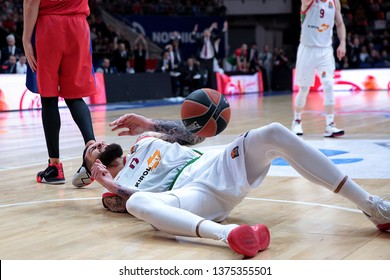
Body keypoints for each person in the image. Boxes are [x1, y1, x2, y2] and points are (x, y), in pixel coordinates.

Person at [83, 113, 389, 258]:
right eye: (91, 149)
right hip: (190, 197)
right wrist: (108, 185)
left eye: (96, 140)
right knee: (138, 204)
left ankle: (372, 206)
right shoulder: (112, 189)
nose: (97, 142)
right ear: (92, 166)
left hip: (212, 165)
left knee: (273, 131)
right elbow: (132, 207)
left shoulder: (144, 141)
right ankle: (233, 235)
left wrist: (150, 125)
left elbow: (195, 136)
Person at [23, 0, 96, 184]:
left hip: (50, 26)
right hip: (79, 26)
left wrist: (25, 39)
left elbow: (32, 2)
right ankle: (93, 150)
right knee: (74, 97)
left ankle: (55, 167)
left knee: (48, 98)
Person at [291, 0, 346, 137]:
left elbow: (339, 24)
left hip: (325, 50)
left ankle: (330, 125)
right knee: (304, 89)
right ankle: (297, 121)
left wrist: (343, 42)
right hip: (307, 49)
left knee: (328, 84)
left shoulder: (334, 2)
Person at [191, 21, 228, 89]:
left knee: (210, 76)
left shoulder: (212, 39)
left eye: (208, 32)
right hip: (202, 59)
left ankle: (209, 90)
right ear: (204, 33)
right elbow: (193, 37)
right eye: (206, 32)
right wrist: (194, 31)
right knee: (202, 76)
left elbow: (219, 36)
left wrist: (224, 29)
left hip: (210, 59)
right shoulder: (201, 39)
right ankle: (201, 90)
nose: (207, 33)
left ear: (210, 33)